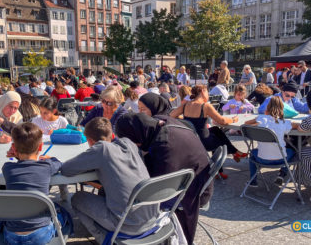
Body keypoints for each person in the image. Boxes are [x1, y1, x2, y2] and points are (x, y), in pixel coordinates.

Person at [115, 113, 212, 245]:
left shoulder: (165, 145)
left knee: (128, 196)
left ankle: (132, 231)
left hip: (191, 193)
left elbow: (158, 188)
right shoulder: (163, 123)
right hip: (198, 180)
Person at [61, 117, 159, 244]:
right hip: (152, 217)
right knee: (102, 192)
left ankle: (105, 240)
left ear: (90, 142)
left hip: (128, 224)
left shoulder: (101, 149)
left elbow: (66, 169)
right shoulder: (128, 143)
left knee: (77, 198)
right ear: (111, 135)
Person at [2, 123, 65, 244]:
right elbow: (58, 163)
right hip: (40, 235)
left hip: (11, 235)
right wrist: (50, 158)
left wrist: (17, 155)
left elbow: (22, 167)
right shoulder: (46, 166)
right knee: (62, 212)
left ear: (14, 148)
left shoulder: (7, 168)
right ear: (40, 147)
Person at [170, 85, 247, 173]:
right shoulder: (205, 106)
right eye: (207, 92)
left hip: (192, 140)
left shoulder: (185, 105)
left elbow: (171, 115)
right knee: (220, 139)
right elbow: (222, 121)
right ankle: (234, 153)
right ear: (203, 91)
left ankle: (221, 169)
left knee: (215, 130)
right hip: (205, 142)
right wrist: (234, 119)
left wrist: (184, 119)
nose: (208, 95)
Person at [244, 96, 295, 186]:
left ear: (268, 107)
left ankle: (253, 181)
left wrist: (261, 117)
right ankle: (283, 173)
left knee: (252, 152)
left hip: (262, 159)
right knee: (293, 151)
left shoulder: (260, 119)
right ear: (282, 108)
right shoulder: (284, 122)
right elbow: (296, 125)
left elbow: (246, 123)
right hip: (282, 159)